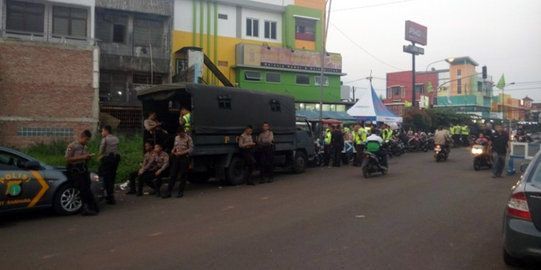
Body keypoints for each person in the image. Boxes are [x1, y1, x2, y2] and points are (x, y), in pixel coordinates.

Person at [65, 130, 98, 216]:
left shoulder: (85, 147)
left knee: (87, 188)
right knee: (82, 189)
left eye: (88, 140)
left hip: (83, 169)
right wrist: (82, 157)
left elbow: (83, 158)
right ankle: (86, 208)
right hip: (75, 170)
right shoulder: (72, 146)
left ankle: (92, 207)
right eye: (86, 139)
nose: (87, 141)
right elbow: (68, 159)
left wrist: (87, 157)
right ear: (81, 137)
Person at [164, 127, 194, 198]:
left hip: (184, 157)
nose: (180, 135)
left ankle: (180, 192)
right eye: (178, 134)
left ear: (183, 132)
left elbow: (191, 149)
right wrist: (173, 150)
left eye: (181, 134)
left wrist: (182, 153)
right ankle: (168, 192)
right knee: (173, 174)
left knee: (183, 175)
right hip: (176, 157)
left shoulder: (188, 138)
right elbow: (175, 146)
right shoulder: (176, 138)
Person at [98, 125, 120, 205]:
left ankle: (107, 196)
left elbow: (101, 150)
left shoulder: (105, 139)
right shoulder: (116, 138)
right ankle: (111, 196)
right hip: (114, 160)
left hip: (107, 160)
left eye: (102, 131)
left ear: (106, 131)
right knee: (112, 177)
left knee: (105, 178)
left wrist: (100, 156)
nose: (102, 133)